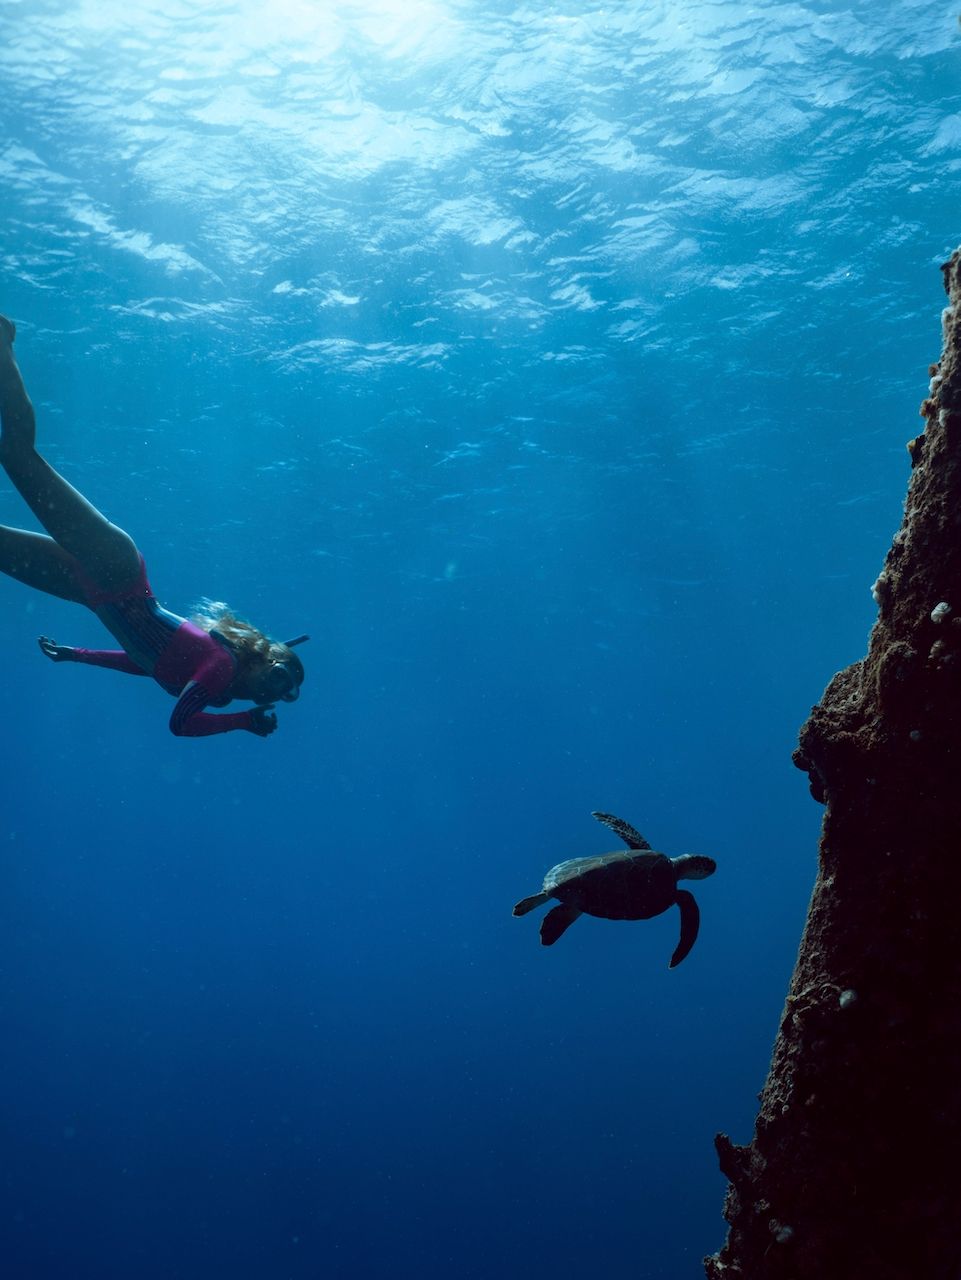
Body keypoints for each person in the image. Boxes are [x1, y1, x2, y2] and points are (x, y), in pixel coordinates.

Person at [0, 314, 306, 738]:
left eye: (281, 692)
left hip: (91, 592)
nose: (272, 688)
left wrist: (77, 655)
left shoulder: (211, 680)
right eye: (278, 675)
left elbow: (142, 660)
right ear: (264, 661)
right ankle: (2, 339)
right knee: (17, 457)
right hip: (115, 571)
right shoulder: (220, 667)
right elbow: (180, 724)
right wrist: (245, 722)